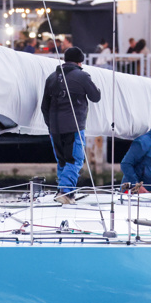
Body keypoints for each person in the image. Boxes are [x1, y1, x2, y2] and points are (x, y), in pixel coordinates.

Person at [41, 47, 102, 205]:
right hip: (74, 126)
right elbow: (95, 97)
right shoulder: (82, 76)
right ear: (80, 61)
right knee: (74, 159)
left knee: (62, 160)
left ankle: (62, 190)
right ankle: (66, 192)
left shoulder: (51, 78)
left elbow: (44, 106)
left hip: (54, 128)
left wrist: (50, 125)